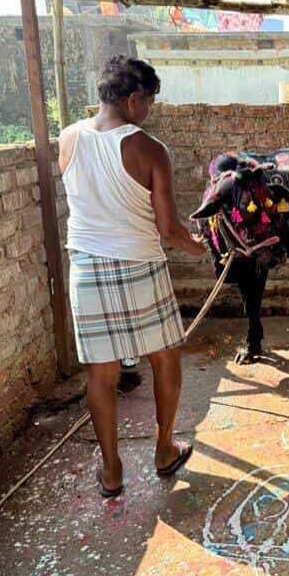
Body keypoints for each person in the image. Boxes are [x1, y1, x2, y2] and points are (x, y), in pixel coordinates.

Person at [59, 54, 206, 498]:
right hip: (140, 265)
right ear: (135, 99)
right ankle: (164, 450)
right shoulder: (148, 148)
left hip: (85, 267)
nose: (150, 112)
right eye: (150, 102)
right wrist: (202, 246)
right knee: (165, 358)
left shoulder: (66, 138)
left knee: (100, 376)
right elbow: (167, 229)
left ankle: (111, 470)